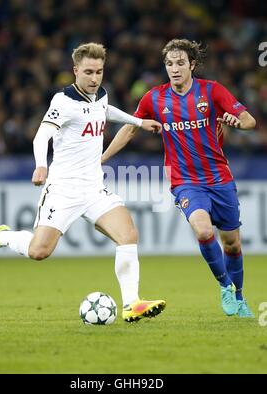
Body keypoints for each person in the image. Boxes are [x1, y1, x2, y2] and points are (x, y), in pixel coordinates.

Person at [0, 42, 166, 323]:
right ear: (75, 70)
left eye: (99, 72)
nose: (94, 78)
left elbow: (105, 110)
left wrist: (137, 121)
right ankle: (2, 237)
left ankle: (131, 303)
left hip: (95, 188)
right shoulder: (63, 102)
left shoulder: (100, 95)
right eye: (88, 72)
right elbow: (41, 137)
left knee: (128, 236)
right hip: (63, 189)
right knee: (39, 252)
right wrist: (41, 166)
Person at [101, 39, 256, 318]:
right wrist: (101, 159)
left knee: (232, 243)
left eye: (180, 63)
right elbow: (131, 129)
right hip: (184, 180)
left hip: (219, 178)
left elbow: (248, 120)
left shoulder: (211, 91)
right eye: (169, 64)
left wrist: (237, 123)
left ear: (192, 65)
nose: (174, 69)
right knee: (203, 231)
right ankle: (224, 287)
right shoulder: (154, 98)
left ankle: (241, 296)